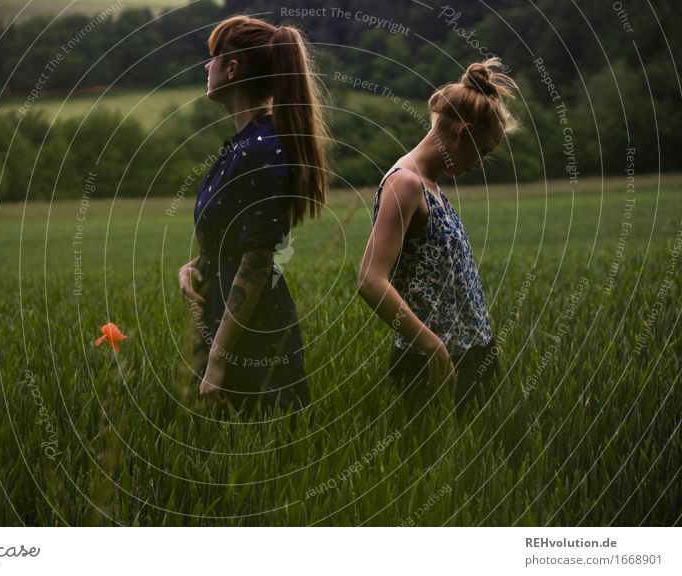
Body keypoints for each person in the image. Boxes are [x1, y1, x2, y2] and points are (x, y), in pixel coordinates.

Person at [178, 15, 328, 414]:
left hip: (254, 338)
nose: (206, 66)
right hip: (227, 327)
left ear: (232, 68)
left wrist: (217, 359)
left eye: (213, 57)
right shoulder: (243, 147)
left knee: (260, 460)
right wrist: (197, 264)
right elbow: (236, 235)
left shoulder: (261, 149)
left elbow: (258, 260)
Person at [357, 58, 519, 418]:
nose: (478, 164)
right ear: (462, 132)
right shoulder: (406, 183)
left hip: (469, 355)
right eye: (483, 152)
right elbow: (370, 280)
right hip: (431, 366)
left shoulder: (431, 187)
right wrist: (433, 348)